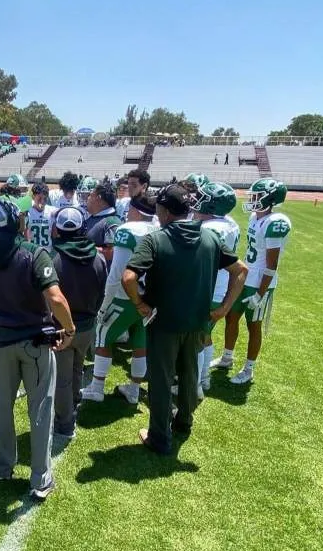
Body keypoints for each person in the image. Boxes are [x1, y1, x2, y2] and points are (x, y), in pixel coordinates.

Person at [122, 184, 247, 457]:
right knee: (190, 374)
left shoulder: (155, 239)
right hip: (198, 321)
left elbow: (129, 277)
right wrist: (224, 308)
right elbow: (240, 271)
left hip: (164, 323)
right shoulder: (210, 238)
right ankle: (184, 422)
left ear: (164, 211)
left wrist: (140, 304)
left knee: (161, 378)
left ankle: (159, 437)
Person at [0, 200, 76, 500]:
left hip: (1, 343)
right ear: (18, 220)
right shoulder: (33, 253)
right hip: (35, 342)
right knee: (40, 408)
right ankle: (40, 477)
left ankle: (4, 465)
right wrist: (69, 329)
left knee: (1, 407)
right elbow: (56, 298)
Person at [211, 179, 291, 384]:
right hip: (246, 278)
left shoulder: (276, 222)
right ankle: (227, 357)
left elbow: (272, 264)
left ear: (269, 198)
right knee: (231, 317)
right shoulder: (255, 217)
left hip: (260, 283)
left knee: (253, 325)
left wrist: (260, 293)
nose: (253, 199)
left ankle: (249, 369)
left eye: (257, 196)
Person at [82, 192, 158, 404]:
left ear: (136, 210)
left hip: (124, 297)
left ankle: (97, 388)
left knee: (102, 335)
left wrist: (104, 304)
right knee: (140, 342)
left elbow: (116, 274)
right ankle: (134, 390)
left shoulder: (128, 230)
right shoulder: (158, 229)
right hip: (149, 298)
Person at [49, 207, 107, 441]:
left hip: (62, 328)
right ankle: (73, 404)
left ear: (58, 230)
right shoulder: (98, 257)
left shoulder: (53, 258)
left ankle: (65, 424)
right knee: (77, 368)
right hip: (87, 325)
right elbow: (102, 292)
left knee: (62, 379)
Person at [187, 180, 241, 391]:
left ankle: (195, 384)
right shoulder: (229, 223)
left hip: (206, 289)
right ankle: (203, 379)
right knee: (204, 336)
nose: (196, 200)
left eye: (202, 197)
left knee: (196, 339)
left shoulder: (210, 228)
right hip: (218, 287)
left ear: (212, 204)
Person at [83, 180, 121, 262]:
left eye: (90, 195)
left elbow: (112, 253)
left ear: (98, 198)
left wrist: (83, 248)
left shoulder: (112, 221)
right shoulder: (92, 218)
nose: (87, 199)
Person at [26, 182, 56, 251]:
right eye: (39, 199)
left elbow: (54, 235)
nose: (42, 202)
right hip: (33, 252)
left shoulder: (52, 211)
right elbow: (27, 237)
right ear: (33, 197)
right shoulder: (28, 212)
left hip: (48, 251)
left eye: (45, 199)